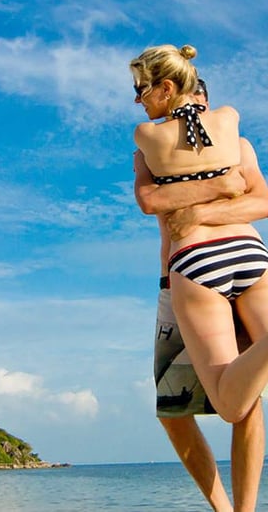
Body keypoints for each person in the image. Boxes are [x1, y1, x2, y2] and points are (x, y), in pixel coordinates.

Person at [135, 78, 268, 511]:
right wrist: (220, 186)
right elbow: (150, 200)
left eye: (143, 90)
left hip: (193, 269)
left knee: (237, 399)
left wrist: (197, 213)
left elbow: (262, 201)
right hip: (237, 261)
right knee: (178, 410)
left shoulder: (234, 145)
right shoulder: (153, 151)